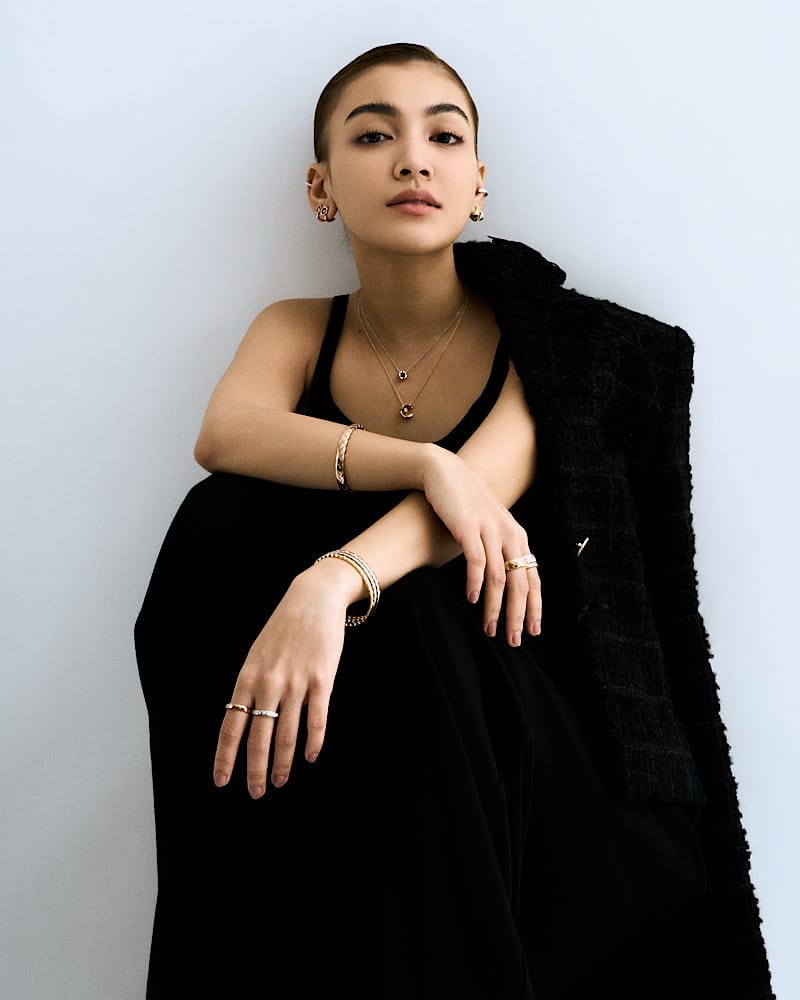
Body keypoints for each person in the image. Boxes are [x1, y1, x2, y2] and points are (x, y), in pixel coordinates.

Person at [135, 43, 774, 999]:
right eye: (372, 136)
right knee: (222, 520)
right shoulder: (296, 327)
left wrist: (331, 583)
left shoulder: (552, 342)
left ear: (478, 183)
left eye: (444, 136)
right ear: (320, 186)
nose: (412, 159)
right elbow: (226, 434)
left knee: (414, 615)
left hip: (542, 754)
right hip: (364, 747)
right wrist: (426, 462)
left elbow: (481, 501)